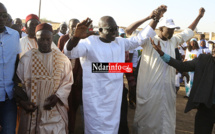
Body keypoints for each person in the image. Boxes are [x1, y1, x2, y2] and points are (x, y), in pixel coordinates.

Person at [63, 5, 166, 133]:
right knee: (96, 129)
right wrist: (76, 37)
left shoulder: (120, 42)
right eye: (110, 29)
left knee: (113, 129)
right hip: (96, 99)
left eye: (116, 28)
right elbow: (69, 52)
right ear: (100, 30)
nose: (114, 32)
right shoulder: (89, 42)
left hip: (114, 99)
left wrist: (155, 19)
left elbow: (140, 38)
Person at [132, 8, 205, 134]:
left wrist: (199, 16)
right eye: (169, 29)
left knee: (166, 119)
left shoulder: (174, 41)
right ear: (160, 29)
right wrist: (153, 18)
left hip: (168, 89)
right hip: (150, 89)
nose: (172, 31)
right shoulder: (149, 41)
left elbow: (188, 31)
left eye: (173, 29)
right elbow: (129, 31)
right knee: (148, 119)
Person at [151, 33, 215, 134]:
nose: (214, 49)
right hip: (206, 108)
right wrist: (161, 53)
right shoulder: (204, 60)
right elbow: (182, 66)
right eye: (214, 47)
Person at [15, 23, 73, 134]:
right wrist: (23, 102)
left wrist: (58, 96)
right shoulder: (26, 58)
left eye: (48, 39)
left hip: (54, 112)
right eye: (41, 39)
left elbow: (67, 81)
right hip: (31, 111)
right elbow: (18, 83)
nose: (45, 43)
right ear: (36, 40)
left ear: (52, 38)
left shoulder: (62, 60)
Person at [57, 18, 83, 134]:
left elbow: (84, 60)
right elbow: (58, 58)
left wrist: (79, 76)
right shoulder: (63, 39)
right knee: (64, 106)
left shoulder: (83, 40)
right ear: (68, 26)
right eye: (72, 26)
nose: (74, 29)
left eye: (76, 26)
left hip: (78, 79)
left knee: (74, 106)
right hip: (64, 79)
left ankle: (71, 129)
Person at [0, 3, 22, 134]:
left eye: (4, 16)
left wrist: (18, 84)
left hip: (9, 97)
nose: (1, 19)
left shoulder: (14, 35)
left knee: (9, 131)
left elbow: (17, 62)